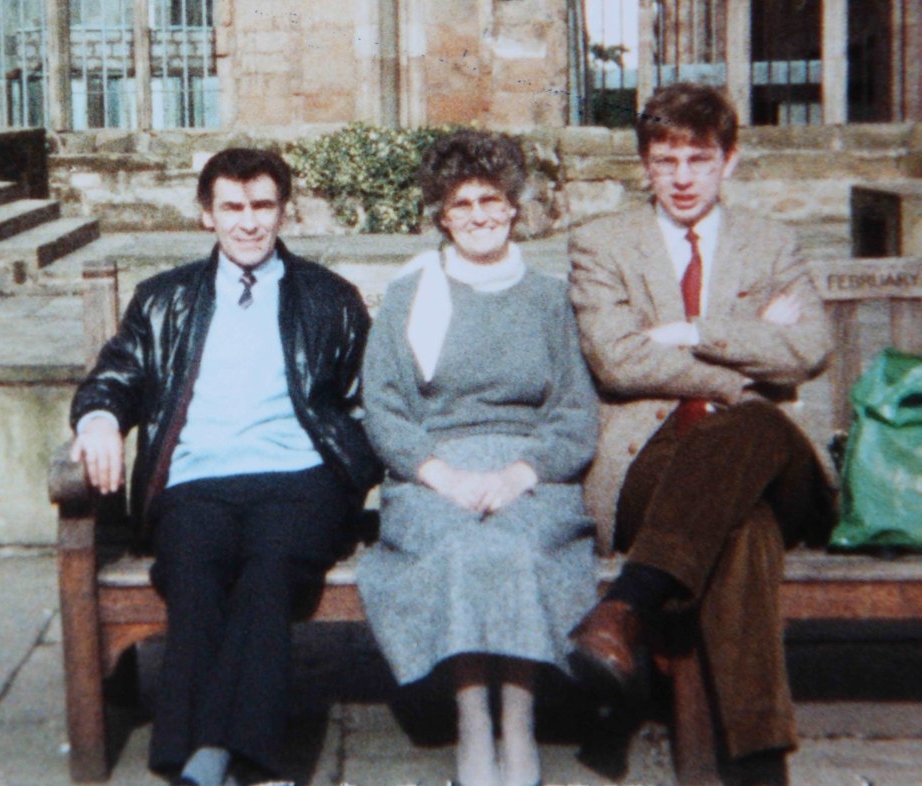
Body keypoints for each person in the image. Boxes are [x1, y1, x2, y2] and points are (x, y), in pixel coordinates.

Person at [69, 147, 382, 786]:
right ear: (206, 215)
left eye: (262, 206)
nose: (248, 223)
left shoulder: (329, 297)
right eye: (232, 208)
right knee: (194, 570)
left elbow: (364, 403)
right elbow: (116, 376)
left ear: (283, 211)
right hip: (196, 482)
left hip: (300, 480)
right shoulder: (163, 299)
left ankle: (202, 758)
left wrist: (353, 471)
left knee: (269, 574)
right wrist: (99, 417)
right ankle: (240, 759)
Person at [567, 82, 836, 786]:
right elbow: (617, 360)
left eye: (699, 159)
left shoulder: (770, 241)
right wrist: (737, 375)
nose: (682, 178)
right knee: (739, 528)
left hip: (779, 465)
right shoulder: (602, 243)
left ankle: (624, 606)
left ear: (731, 161)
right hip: (649, 459)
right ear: (644, 165)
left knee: (752, 438)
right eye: (665, 160)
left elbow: (809, 345)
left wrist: (696, 331)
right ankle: (758, 768)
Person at [358, 129, 599, 786]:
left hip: (532, 473)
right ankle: (472, 726)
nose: (478, 216)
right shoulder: (413, 294)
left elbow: (575, 410)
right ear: (441, 214)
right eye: (460, 204)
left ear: (515, 207)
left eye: (490, 200)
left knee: (515, 548)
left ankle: (517, 726)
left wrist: (520, 474)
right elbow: (384, 406)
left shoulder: (550, 299)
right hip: (433, 473)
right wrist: (443, 476)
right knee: (465, 549)